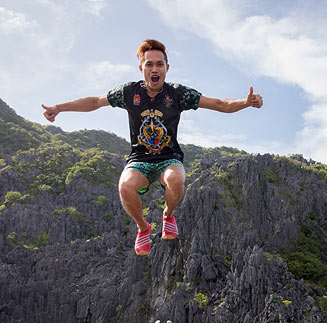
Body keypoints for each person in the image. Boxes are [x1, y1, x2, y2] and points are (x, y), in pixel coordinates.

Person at [42, 39, 263, 256]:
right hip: (140, 159)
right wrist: (59, 107)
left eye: (160, 64)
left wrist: (245, 102)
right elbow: (95, 102)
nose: (154, 69)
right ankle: (143, 228)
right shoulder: (129, 92)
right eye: (149, 64)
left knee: (176, 179)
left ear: (167, 68)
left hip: (169, 157)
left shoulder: (178, 94)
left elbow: (219, 104)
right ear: (141, 68)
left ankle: (168, 214)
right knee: (125, 187)